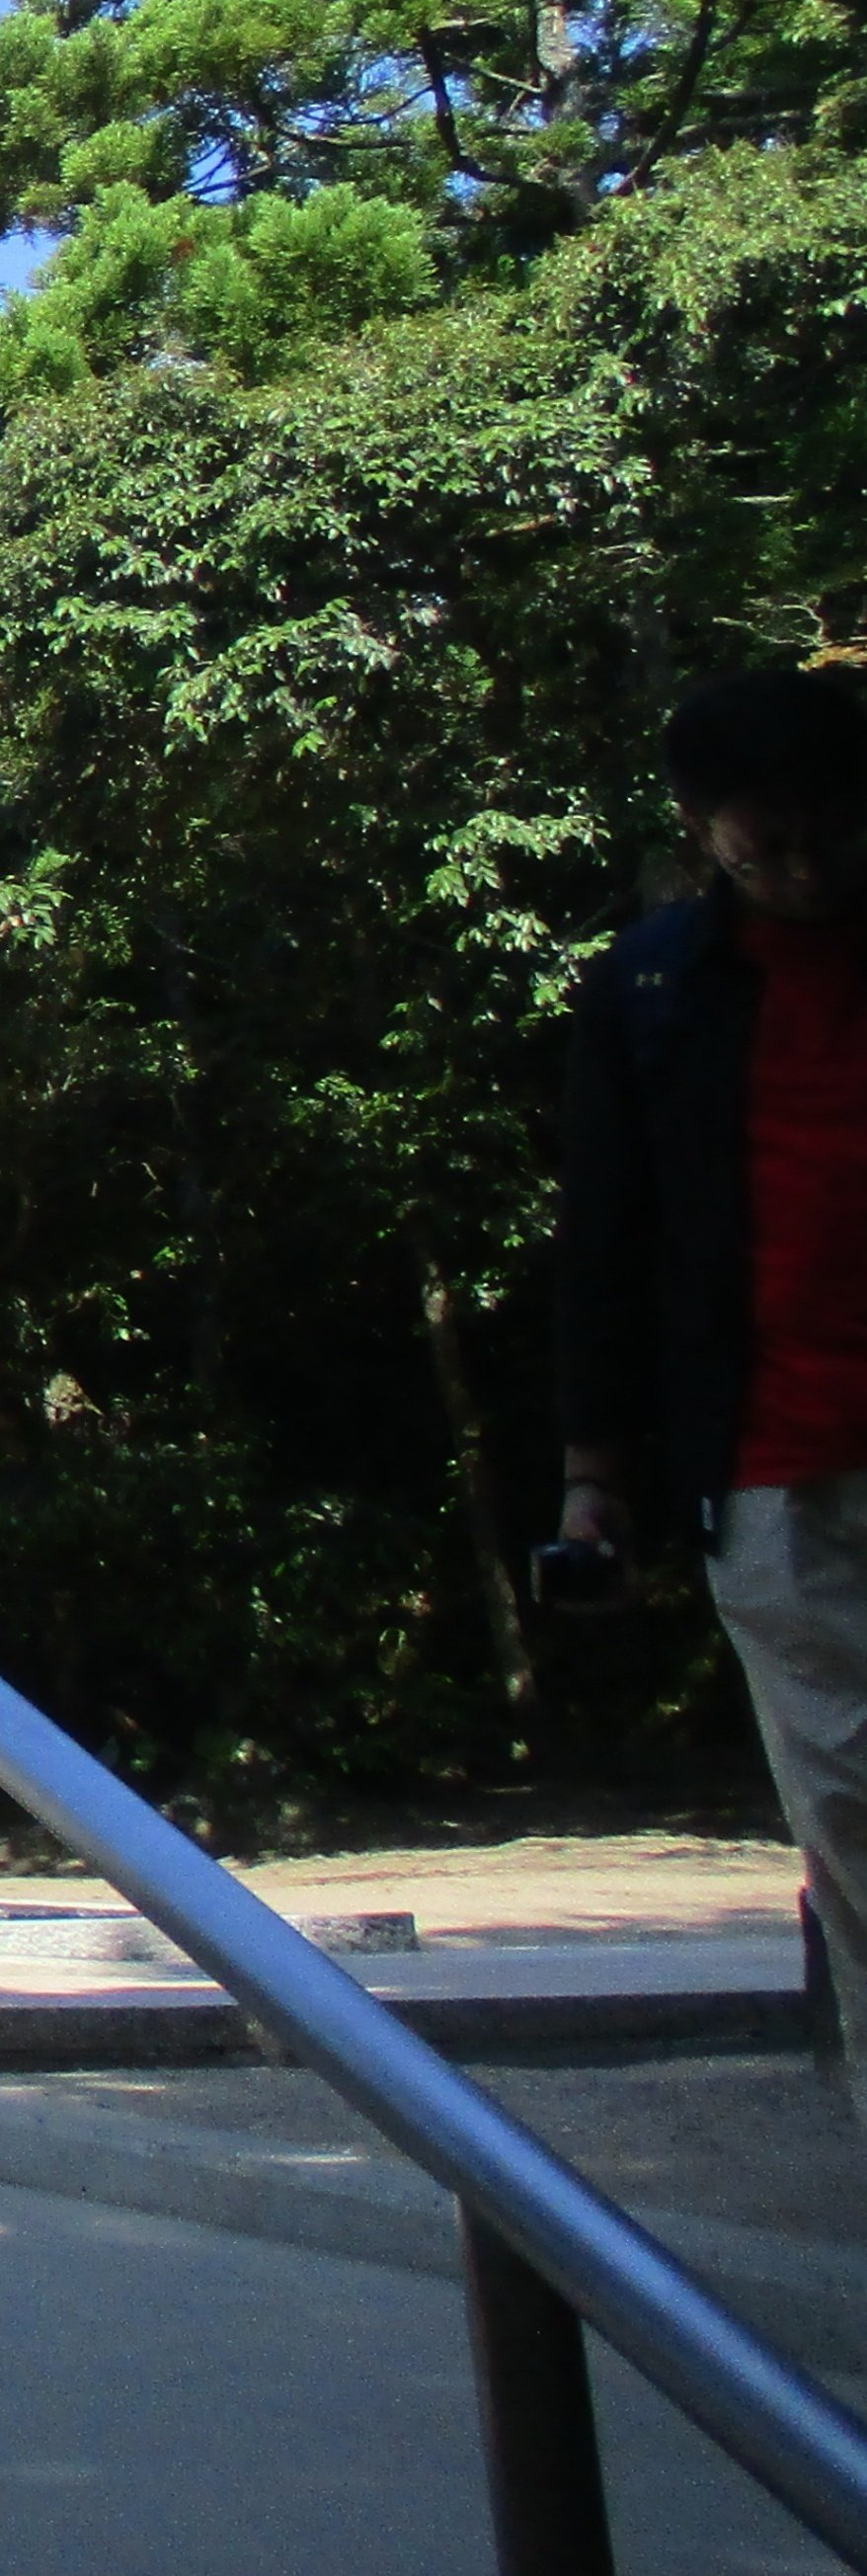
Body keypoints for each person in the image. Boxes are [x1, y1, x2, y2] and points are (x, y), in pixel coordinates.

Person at [561, 661, 867, 2058]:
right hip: (774, 1470)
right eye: (762, 845)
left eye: (825, 830)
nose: (799, 868)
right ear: (701, 831)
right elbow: (607, 1243)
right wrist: (593, 1478)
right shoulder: (650, 990)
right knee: (853, 1833)